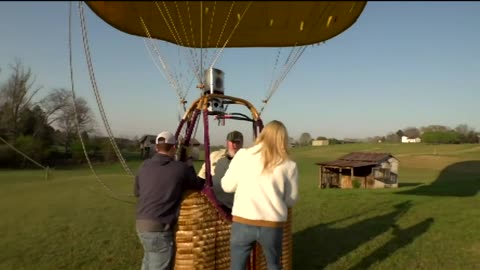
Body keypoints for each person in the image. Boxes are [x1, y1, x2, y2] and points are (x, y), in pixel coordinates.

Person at [221, 120, 299, 270]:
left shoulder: (242, 155)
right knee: (274, 266)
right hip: (272, 225)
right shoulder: (289, 165)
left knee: (236, 267)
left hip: (242, 222)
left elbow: (227, 186)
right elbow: (291, 199)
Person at [134, 131, 205, 270]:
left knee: (148, 262)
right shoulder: (180, 168)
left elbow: (137, 192)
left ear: (156, 148)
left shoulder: (144, 165)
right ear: (174, 148)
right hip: (159, 228)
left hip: (141, 224)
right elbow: (197, 185)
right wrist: (189, 162)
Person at [197, 130, 244, 210]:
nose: (234, 145)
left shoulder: (247, 159)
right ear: (227, 142)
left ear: (242, 144)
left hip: (236, 207)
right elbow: (201, 178)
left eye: (237, 143)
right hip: (214, 205)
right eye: (231, 142)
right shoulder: (215, 156)